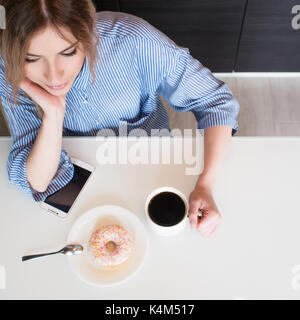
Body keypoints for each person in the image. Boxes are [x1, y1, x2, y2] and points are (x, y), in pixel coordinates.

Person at [0, 0, 240, 236]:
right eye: (31, 58)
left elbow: (216, 102)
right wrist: (53, 114)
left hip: (150, 165)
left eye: (68, 52)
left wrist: (206, 184)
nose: (54, 76)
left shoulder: (134, 41)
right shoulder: (8, 64)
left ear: (87, 31)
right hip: (79, 185)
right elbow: (38, 181)